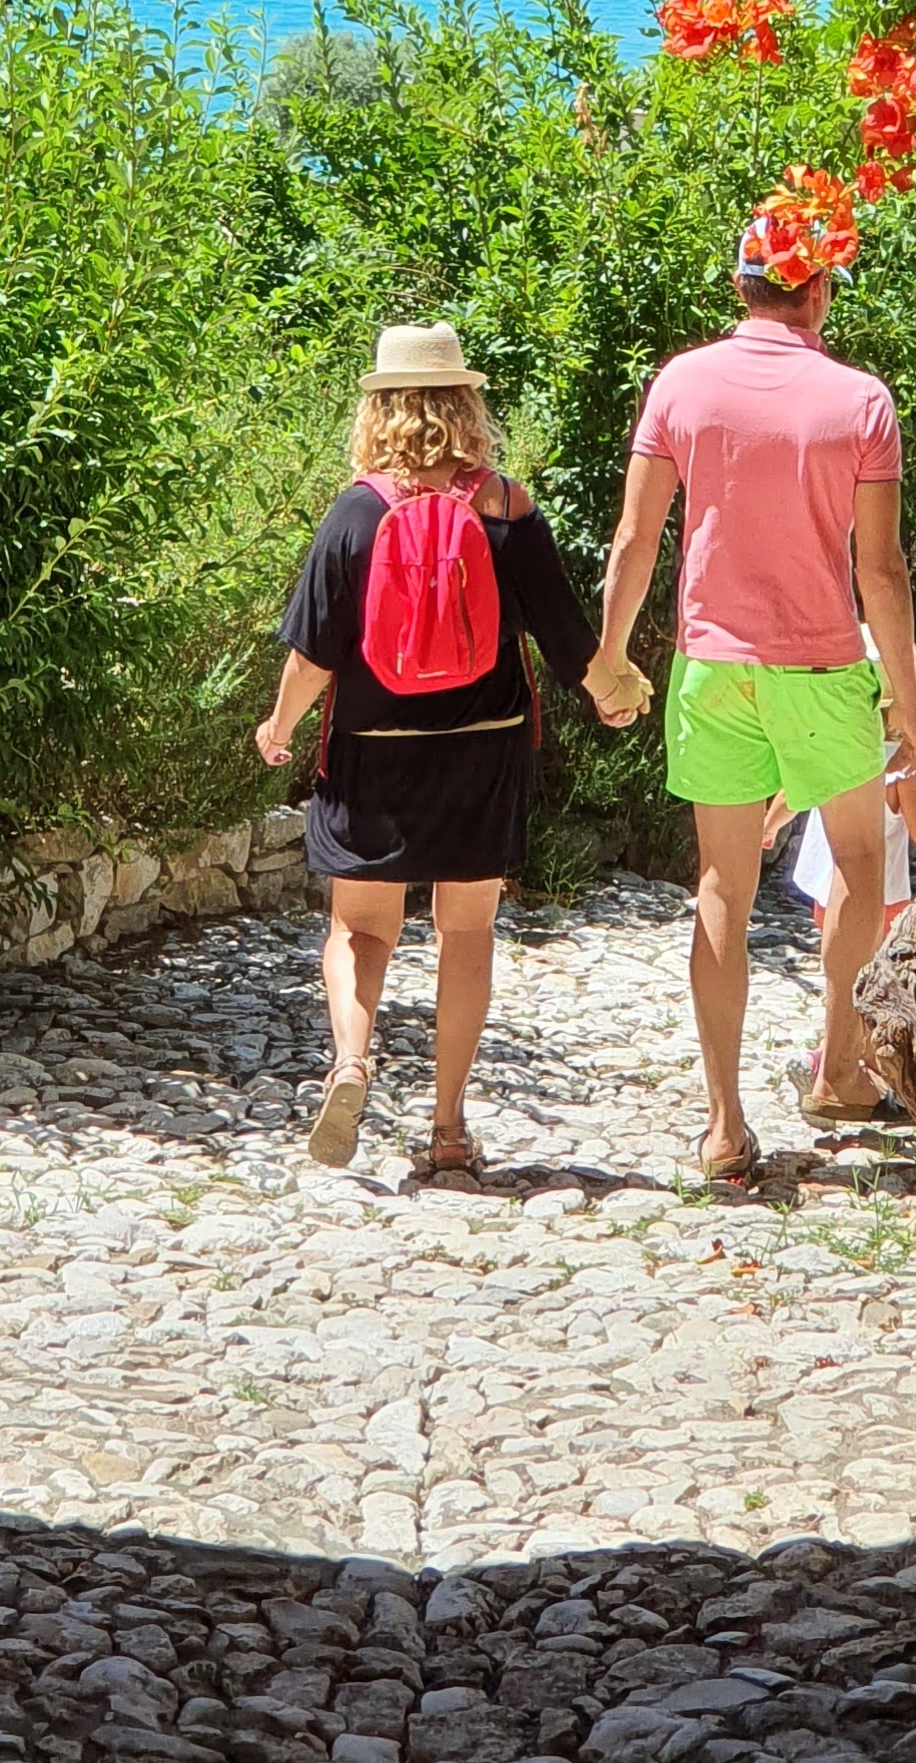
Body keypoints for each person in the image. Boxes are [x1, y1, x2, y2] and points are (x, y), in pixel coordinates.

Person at [592, 184, 916, 1180]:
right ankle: (839, 1068)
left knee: (720, 888)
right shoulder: (861, 400)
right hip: (823, 665)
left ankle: (724, 1125)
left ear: (743, 287)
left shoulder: (680, 386)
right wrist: (903, 695)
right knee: (864, 868)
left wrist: (609, 658)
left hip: (713, 666)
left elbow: (635, 536)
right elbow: (882, 571)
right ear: (817, 291)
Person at [256, 321, 639, 1178]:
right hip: (483, 747)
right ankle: (449, 1128)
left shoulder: (356, 512)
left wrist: (279, 728)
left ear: (380, 409)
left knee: (360, 929)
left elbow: (313, 653)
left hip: (373, 751)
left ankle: (352, 1062)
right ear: (466, 404)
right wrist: (611, 694)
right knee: (465, 934)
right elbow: (565, 635)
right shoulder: (506, 507)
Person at [764, 639, 916, 1128]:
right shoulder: (899, 763)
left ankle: (836, 1063)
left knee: (842, 981)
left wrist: (769, 827)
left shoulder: (830, 747)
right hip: (877, 893)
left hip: (824, 886)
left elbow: (792, 793)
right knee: (879, 987)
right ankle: (853, 1069)